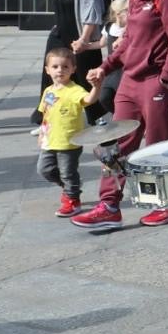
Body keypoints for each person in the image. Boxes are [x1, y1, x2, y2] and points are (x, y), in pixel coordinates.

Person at [68, 0, 168, 232]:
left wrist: (165, 81)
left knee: (160, 145)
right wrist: (105, 67)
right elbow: (129, 43)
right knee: (116, 144)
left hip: (157, 82)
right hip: (131, 82)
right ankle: (109, 206)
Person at [34, 0, 106, 125]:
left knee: (85, 80)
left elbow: (92, 14)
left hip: (79, 40)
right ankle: (47, 117)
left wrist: (84, 40)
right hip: (58, 38)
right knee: (52, 79)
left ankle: (98, 121)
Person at [33, 46, 100, 217]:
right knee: (44, 169)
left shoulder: (74, 90)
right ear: (47, 70)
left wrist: (96, 87)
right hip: (50, 140)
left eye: (65, 67)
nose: (60, 70)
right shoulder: (48, 91)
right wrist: (42, 133)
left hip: (69, 141)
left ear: (73, 69)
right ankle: (70, 187)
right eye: (55, 67)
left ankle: (72, 199)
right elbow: (46, 114)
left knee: (67, 172)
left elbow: (89, 100)